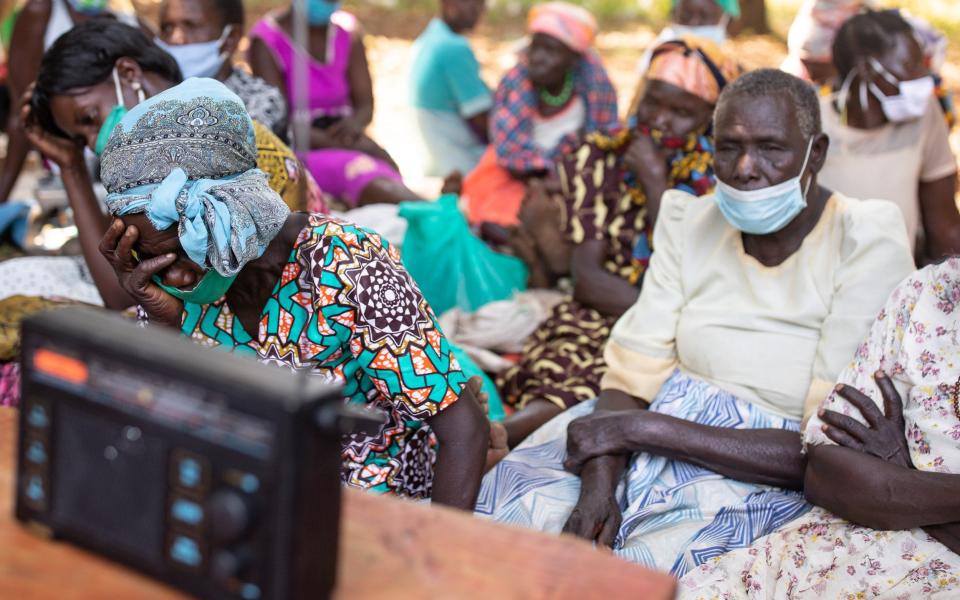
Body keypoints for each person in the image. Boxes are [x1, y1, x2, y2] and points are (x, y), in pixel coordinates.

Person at [476, 69, 915, 575]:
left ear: (815, 153)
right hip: (633, 434)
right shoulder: (693, 222)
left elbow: (828, 448)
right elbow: (630, 377)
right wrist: (599, 486)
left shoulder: (864, 236)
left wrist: (641, 429)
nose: (747, 168)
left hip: (768, 468)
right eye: (728, 147)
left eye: (772, 148)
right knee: (513, 530)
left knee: (655, 572)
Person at [90, 77, 489, 505]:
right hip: (243, 494)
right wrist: (165, 327)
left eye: (182, 256)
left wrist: (435, 566)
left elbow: (464, 429)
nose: (179, 279)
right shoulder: (171, 293)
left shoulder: (345, 261)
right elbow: (162, 423)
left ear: (232, 211)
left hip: (366, 505)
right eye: (152, 261)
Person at [497, 38, 739, 448]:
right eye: (654, 103)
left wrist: (655, 184)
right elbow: (589, 281)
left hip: (680, 325)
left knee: (648, 383)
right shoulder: (604, 156)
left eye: (683, 113)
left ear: (710, 119)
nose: (661, 121)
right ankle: (504, 433)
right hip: (606, 314)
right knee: (577, 362)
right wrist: (664, 315)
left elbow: (694, 273)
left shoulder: (721, 181)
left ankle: (504, 435)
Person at [679, 258, 960, 598]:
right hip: (813, 559)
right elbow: (825, 472)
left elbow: (874, 487)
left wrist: (901, 476)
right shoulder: (928, 291)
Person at [23, 20, 323, 312]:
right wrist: (70, 165)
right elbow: (123, 286)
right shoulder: (137, 176)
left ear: (128, 74)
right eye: (80, 140)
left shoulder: (234, 149)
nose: (92, 143)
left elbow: (123, 298)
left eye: (89, 118)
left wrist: (73, 171)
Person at [819, 10, 960, 265]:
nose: (924, 78)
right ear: (865, 68)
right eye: (911, 66)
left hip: (897, 291)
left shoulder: (925, 118)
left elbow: (944, 226)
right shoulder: (813, 124)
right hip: (822, 287)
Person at [248, 1, 421, 207]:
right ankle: (440, 212)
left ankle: (440, 214)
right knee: (362, 172)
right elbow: (278, 122)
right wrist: (345, 144)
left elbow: (365, 104)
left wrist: (355, 126)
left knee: (385, 171)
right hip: (300, 151)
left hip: (349, 139)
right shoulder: (267, 40)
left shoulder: (347, 31)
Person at [461, 1, 618, 227]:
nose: (538, 57)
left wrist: (568, 180)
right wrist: (549, 182)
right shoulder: (517, 82)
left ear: (573, 59)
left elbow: (603, 140)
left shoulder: (594, 84)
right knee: (503, 226)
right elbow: (512, 154)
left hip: (574, 178)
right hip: (514, 177)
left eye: (551, 51)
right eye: (536, 47)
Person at [0, 0, 141, 205]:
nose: (93, 143)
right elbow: (21, 113)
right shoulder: (42, 12)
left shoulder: (126, 20)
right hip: (70, 183)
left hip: (128, 176)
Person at [156, 0, 288, 138]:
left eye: (191, 26)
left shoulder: (260, 101)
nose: (176, 38)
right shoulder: (156, 94)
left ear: (231, 37)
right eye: (167, 28)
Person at [409, 0, 491, 178]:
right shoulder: (453, 47)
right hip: (459, 163)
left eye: (482, 4)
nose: (478, 9)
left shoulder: (430, 36)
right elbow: (483, 119)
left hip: (435, 156)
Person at [635, 0, 739, 75]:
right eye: (686, 16)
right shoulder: (657, 54)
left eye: (704, 16)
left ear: (725, 18)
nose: (694, 23)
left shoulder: (731, 69)